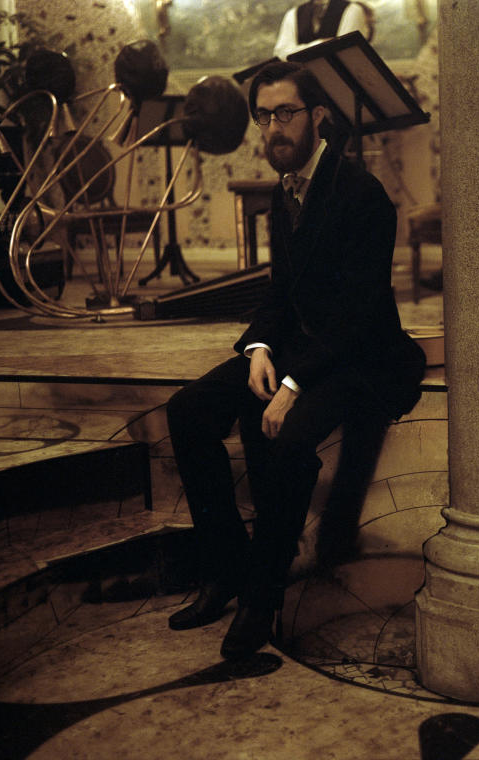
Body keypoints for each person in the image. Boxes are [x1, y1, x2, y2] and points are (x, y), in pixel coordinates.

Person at [166, 60, 425, 660]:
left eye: (285, 113)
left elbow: (359, 315)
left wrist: (292, 381)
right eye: (264, 116)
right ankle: (225, 567)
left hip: (361, 356)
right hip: (301, 348)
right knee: (188, 411)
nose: (273, 128)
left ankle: (264, 591)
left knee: (282, 438)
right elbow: (280, 291)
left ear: (318, 116)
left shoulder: (362, 193)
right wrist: (259, 348)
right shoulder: (286, 191)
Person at [274, 0, 371, 60]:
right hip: (303, 85)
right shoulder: (293, 13)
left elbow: (346, 52)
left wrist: (297, 51)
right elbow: (281, 54)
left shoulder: (352, 10)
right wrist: (319, 43)